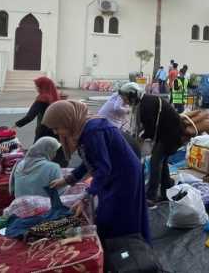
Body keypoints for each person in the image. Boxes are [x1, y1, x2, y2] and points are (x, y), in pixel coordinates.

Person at [44, 100, 149, 243]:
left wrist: (85, 198)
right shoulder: (83, 127)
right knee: (110, 210)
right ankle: (119, 245)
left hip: (125, 175)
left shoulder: (92, 131)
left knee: (119, 212)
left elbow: (103, 168)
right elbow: (90, 161)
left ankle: (127, 248)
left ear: (67, 120)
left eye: (57, 128)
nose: (56, 133)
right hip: (114, 171)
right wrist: (67, 180)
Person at [13, 77, 66, 166]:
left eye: (37, 86)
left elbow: (30, 117)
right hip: (56, 131)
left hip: (43, 131)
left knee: (35, 155)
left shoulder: (42, 98)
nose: (36, 88)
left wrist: (16, 124)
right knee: (55, 154)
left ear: (43, 86)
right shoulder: (55, 96)